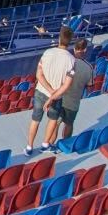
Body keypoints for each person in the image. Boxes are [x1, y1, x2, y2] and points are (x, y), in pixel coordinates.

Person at [28, 25, 76, 154]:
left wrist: (49, 91)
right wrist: (53, 95)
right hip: (57, 96)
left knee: (35, 120)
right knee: (53, 120)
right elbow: (66, 86)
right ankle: (45, 144)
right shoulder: (72, 60)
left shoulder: (47, 53)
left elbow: (39, 75)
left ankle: (29, 147)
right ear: (70, 40)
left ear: (59, 38)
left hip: (41, 91)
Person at [62, 37, 94, 140]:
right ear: (85, 50)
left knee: (54, 123)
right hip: (74, 102)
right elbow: (90, 88)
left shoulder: (66, 62)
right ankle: (65, 142)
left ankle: (49, 145)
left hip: (60, 97)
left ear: (74, 48)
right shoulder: (89, 68)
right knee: (69, 124)